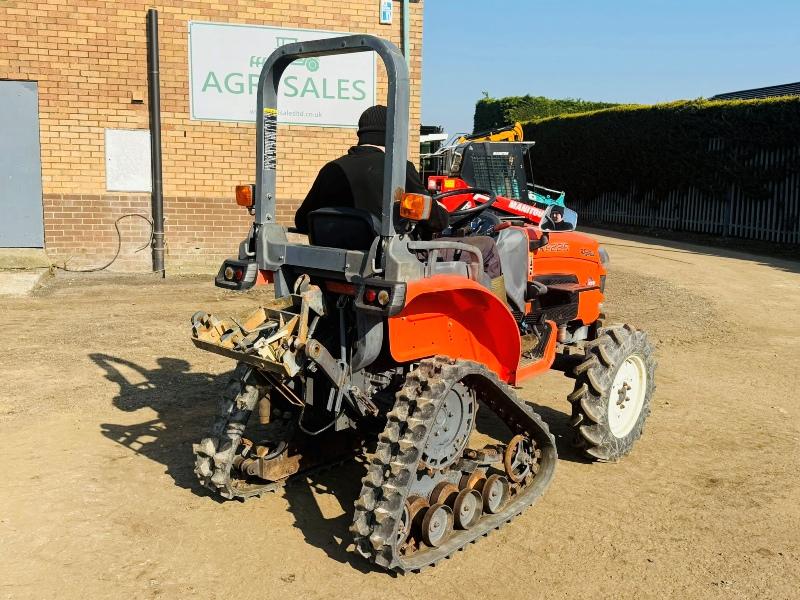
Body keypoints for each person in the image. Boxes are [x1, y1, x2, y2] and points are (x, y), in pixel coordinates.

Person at [294, 105, 501, 279]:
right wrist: (437, 209)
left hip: (339, 266)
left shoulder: (331, 170)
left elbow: (302, 221)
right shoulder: (397, 168)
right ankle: (499, 322)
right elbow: (438, 222)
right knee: (488, 247)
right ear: (391, 135)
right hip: (394, 261)